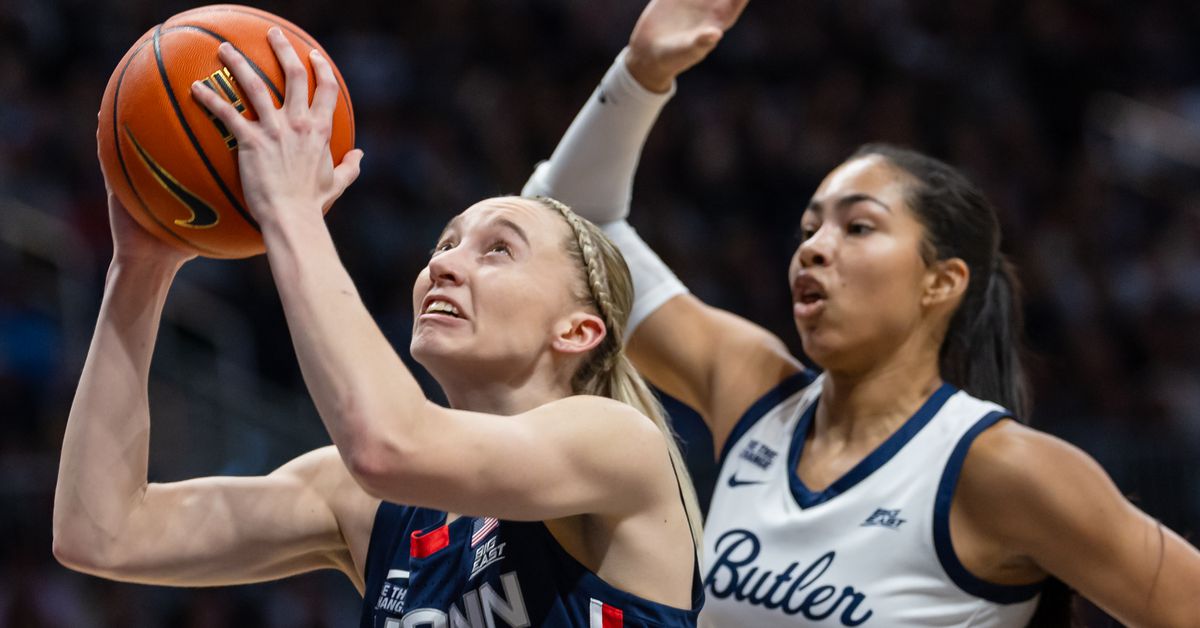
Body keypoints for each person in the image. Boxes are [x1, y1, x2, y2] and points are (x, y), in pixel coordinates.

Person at [521, 2, 1200, 625]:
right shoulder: (755, 392)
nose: (814, 248)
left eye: (858, 228)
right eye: (809, 228)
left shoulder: (1001, 468)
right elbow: (572, 229)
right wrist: (641, 72)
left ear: (942, 282)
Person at [51, 8, 722, 625]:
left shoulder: (617, 444)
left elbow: (387, 444)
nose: (446, 266)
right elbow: (102, 531)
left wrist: (289, 208)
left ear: (578, 331)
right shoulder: (365, 503)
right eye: (444, 244)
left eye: (498, 251)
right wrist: (138, 271)